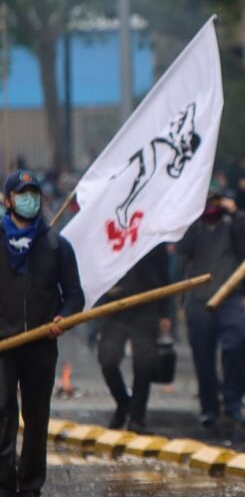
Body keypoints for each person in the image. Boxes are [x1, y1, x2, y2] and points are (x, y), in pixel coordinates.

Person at [0, 170, 84, 497]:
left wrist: (65, 316)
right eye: (23, 193)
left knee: (36, 418)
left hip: (42, 344)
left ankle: (31, 484)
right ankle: (4, 485)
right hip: (3, 346)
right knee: (3, 412)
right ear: (9, 200)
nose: (30, 198)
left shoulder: (55, 245)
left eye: (33, 193)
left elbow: (74, 293)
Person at [177, 185, 245, 426]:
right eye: (207, 202)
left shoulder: (233, 225)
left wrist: (235, 212)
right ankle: (209, 406)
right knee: (203, 355)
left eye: (215, 201)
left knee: (237, 342)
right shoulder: (194, 228)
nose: (211, 207)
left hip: (229, 297)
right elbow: (181, 249)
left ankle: (234, 402)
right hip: (198, 299)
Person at [97, 244, 172, 434]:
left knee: (144, 364)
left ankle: (137, 418)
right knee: (107, 360)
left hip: (146, 306)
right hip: (115, 307)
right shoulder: (111, 231)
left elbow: (164, 275)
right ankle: (124, 404)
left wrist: (165, 312)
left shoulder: (154, 235)